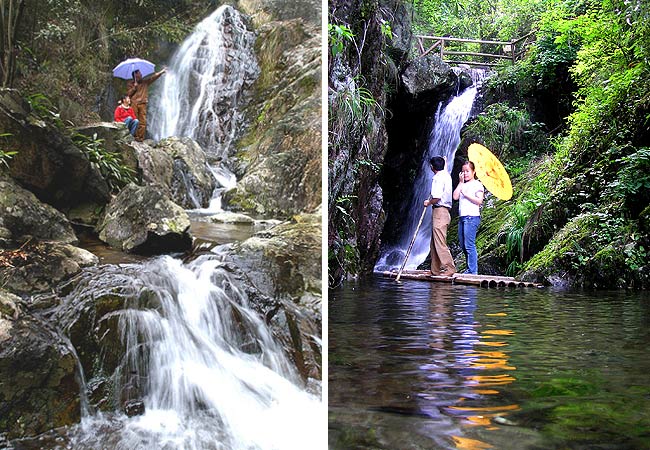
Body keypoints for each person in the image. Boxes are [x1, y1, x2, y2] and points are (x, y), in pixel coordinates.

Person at [423, 156, 456, 276]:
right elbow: (445, 169)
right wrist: (445, 161)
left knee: (440, 242)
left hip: (439, 211)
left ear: (432, 167)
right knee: (434, 242)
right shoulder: (446, 175)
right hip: (444, 211)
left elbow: (436, 196)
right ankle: (435, 269)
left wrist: (428, 202)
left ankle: (449, 268)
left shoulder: (437, 178)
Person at [453, 160, 485, 274]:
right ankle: (469, 268)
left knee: (469, 245)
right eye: (463, 171)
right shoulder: (463, 184)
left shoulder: (477, 184)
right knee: (463, 245)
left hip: (472, 217)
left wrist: (466, 195)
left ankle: (473, 271)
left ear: (473, 171)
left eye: (467, 171)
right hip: (462, 218)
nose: (465, 173)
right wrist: (460, 183)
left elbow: (479, 201)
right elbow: (455, 196)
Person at [126, 67, 166, 142]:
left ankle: (140, 138)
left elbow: (153, 78)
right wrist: (134, 87)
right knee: (134, 120)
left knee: (142, 121)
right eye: (139, 74)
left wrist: (161, 72)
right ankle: (133, 135)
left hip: (143, 103)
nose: (141, 75)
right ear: (135, 75)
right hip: (134, 103)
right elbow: (128, 94)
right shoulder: (130, 84)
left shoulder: (145, 82)